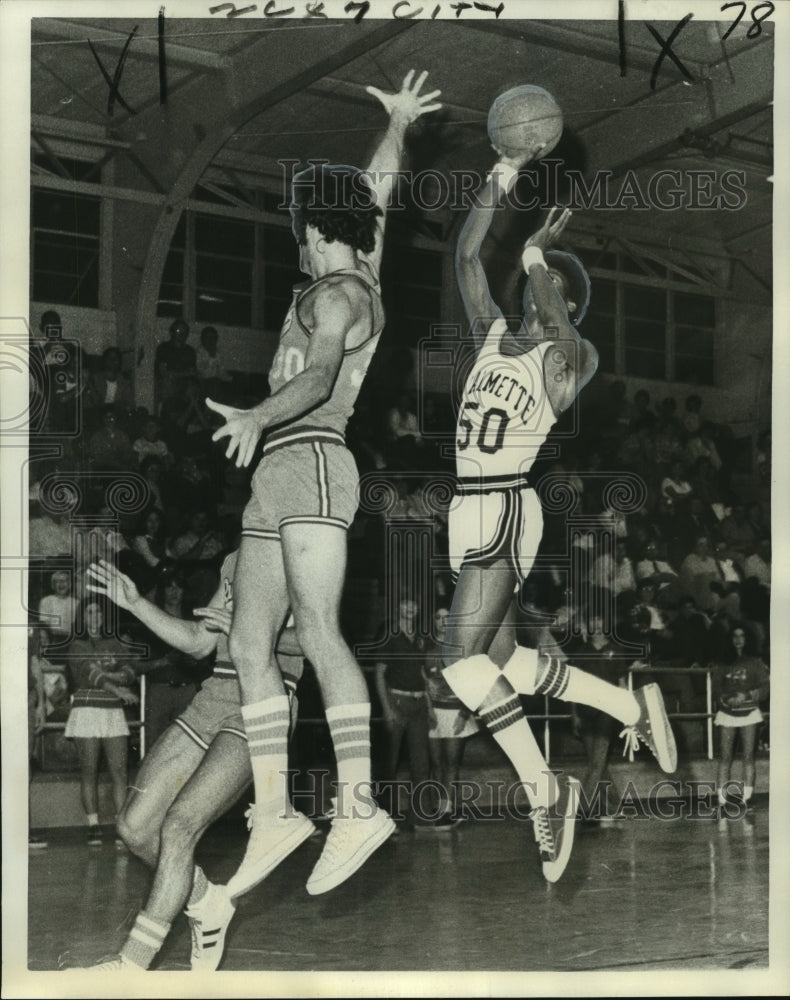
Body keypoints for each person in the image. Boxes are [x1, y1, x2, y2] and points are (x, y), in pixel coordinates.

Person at [204, 70, 442, 897]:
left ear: (313, 227)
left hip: (308, 454)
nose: (296, 236)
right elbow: (375, 194)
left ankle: (359, 805)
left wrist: (254, 414)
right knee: (247, 641)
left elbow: (320, 378)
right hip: (277, 474)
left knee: (320, 629)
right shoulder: (351, 266)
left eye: (299, 224)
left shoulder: (341, 293)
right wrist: (398, 127)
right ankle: (274, 812)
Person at [440, 145, 677, 882]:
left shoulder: (570, 359)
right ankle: (627, 702)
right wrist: (503, 173)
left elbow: (550, 308)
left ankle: (546, 791)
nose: (539, 297)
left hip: (507, 503)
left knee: (456, 662)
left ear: (563, 306)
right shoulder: (492, 336)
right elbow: (467, 255)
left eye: (550, 294)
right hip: (468, 509)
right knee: (502, 661)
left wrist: (541, 251)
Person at [75, 556, 304, 972]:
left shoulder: (307, 552)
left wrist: (245, 628)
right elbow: (201, 640)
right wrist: (135, 604)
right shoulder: (238, 559)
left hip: (264, 701)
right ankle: (206, 901)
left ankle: (131, 966)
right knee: (135, 827)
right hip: (215, 694)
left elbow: (314, 640)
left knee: (179, 825)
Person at [64, 601, 139, 846]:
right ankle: (93, 825)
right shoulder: (77, 645)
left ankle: (121, 825)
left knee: (119, 771)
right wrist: (115, 687)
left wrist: (115, 678)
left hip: (112, 711)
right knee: (90, 771)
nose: (94, 616)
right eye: (89, 612)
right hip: (86, 710)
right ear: (82, 617)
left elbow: (130, 670)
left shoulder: (114, 643)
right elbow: (88, 673)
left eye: (98, 612)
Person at [373, 595, 432, 826]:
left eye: (414, 603)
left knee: (421, 764)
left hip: (419, 705)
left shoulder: (419, 637)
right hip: (396, 702)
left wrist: (429, 705)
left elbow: (423, 673)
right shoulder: (390, 635)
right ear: (397, 607)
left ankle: (421, 817)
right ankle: (383, 819)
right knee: (389, 764)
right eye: (405, 603)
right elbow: (379, 674)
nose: (410, 607)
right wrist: (387, 708)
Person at [423, 601, 478, 828]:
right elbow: (423, 682)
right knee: (436, 764)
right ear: (434, 622)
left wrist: (464, 714)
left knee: (451, 763)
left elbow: (473, 684)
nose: (443, 622)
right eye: (439, 617)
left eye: (447, 617)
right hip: (433, 712)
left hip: (456, 712)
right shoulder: (427, 647)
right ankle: (440, 807)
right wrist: (428, 710)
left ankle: (448, 810)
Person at [712, 625, 769, 812]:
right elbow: (716, 689)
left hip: (749, 713)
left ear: (748, 639)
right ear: (730, 639)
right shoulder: (721, 663)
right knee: (725, 757)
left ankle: (746, 799)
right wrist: (728, 699)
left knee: (748, 756)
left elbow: (765, 688)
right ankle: (722, 800)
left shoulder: (756, 663)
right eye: (735, 636)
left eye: (742, 635)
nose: (738, 639)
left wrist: (746, 696)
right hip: (727, 713)